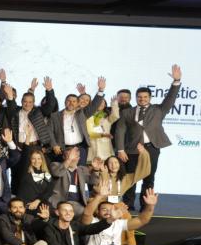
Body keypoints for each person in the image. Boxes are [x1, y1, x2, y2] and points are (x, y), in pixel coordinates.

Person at [115, 64, 182, 210]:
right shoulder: (127, 113)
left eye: (145, 97)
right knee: (130, 178)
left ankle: (145, 205)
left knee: (149, 178)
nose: (142, 99)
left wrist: (176, 82)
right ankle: (127, 205)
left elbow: (170, 98)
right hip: (132, 150)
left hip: (152, 149)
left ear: (150, 98)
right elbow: (120, 131)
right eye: (139, 97)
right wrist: (120, 149)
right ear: (136, 98)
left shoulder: (159, 110)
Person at [50, 77, 105, 164]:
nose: (71, 103)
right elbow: (50, 132)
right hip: (62, 149)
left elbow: (94, 105)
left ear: (77, 103)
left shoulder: (82, 113)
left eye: (74, 101)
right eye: (69, 101)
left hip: (80, 148)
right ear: (65, 102)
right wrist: (54, 145)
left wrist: (100, 90)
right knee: (65, 170)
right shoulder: (55, 116)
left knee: (80, 170)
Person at [48, 145, 95, 216]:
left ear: (79, 158)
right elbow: (57, 173)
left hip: (79, 202)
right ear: (64, 157)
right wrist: (69, 160)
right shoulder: (55, 165)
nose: (72, 158)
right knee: (84, 211)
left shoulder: (82, 169)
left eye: (74, 156)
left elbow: (93, 181)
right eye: (69, 156)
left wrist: (96, 170)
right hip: (62, 202)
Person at [86, 95, 121, 163]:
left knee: (105, 165)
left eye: (102, 102)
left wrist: (114, 104)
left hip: (104, 146)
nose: (100, 104)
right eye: (98, 102)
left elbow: (116, 116)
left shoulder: (107, 117)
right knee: (91, 165)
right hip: (92, 145)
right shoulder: (88, 116)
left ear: (105, 105)